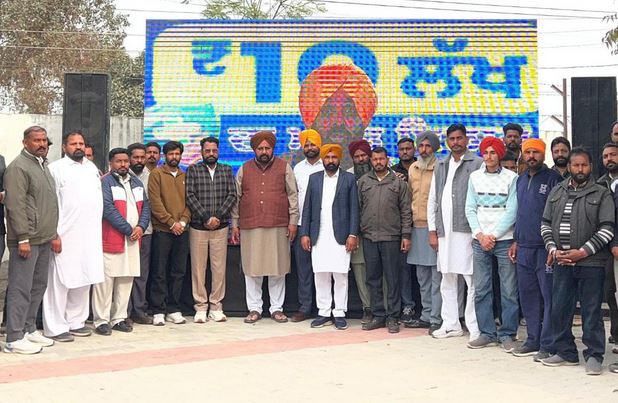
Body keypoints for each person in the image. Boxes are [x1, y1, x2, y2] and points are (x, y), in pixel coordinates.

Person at [540, 147, 614, 375]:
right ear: (570, 167)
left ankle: (594, 355)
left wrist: (581, 252)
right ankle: (566, 352)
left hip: (591, 263)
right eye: (576, 165)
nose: (580, 169)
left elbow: (607, 229)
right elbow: (545, 224)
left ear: (590, 166)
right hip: (561, 261)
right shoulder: (557, 191)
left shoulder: (601, 193)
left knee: (591, 311)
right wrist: (553, 250)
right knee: (560, 308)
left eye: (584, 165)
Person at [231, 131, 299, 324]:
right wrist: (234, 224)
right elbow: (236, 198)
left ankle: (277, 309)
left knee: (277, 269)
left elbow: (293, 195)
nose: (264, 151)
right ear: (254, 150)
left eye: (267, 148)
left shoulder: (284, 167)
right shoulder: (244, 169)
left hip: (278, 224)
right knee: (252, 269)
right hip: (250, 225)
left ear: (272, 149)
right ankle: (254, 309)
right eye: (260, 148)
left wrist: (293, 221)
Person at [43, 130, 103, 342]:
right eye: (73, 143)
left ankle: (76, 322)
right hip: (64, 235)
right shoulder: (55, 169)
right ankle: (55, 327)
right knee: (59, 282)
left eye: (81, 143)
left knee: (84, 278)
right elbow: (50, 204)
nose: (78, 147)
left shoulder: (91, 168)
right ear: (64, 147)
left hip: (89, 236)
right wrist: (53, 234)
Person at [3, 126, 59, 354]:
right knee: (21, 288)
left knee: (38, 286)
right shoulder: (18, 167)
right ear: (25, 142)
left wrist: (53, 233)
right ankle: (14, 338)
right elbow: (14, 205)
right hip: (27, 240)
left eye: (44, 140)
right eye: (36, 140)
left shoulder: (42, 165)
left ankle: (28, 329)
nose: (42, 144)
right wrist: (23, 238)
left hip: (44, 237)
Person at [508, 139, 562, 361]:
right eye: (528, 152)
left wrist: (553, 246)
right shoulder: (520, 180)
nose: (531, 156)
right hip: (524, 248)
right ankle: (532, 340)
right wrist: (516, 240)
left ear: (543, 154)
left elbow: (558, 216)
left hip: (544, 249)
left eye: (536, 152)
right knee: (528, 296)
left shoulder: (553, 179)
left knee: (549, 298)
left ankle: (548, 344)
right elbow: (520, 213)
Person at [428, 123, 482, 340]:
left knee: (471, 280)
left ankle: (474, 326)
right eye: (452, 139)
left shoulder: (477, 163)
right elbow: (433, 199)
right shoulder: (441, 165)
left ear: (466, 139)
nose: (456, 142)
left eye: (459, 138)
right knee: (447, 278)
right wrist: (432, 230)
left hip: (467, 231)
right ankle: (451, 324)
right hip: (445, 232)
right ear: (447, 141)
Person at [465, 137, 519, 350]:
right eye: (485, 152)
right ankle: (487, 333)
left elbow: (512, 210)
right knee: (481, 289)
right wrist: (480, 235)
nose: (488, 156)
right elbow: (470, 208)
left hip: (503, 240)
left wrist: (493, 236)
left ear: (499, 154)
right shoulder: (474, 177)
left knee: (508, 290)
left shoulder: (511, 178)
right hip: (480, 241)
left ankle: (508, 334)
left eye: (493, 152)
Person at [300, 144, 359, 330]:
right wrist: (305, 233)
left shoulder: (349, 179)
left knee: (340, 275)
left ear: (339, 159)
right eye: (327, 157)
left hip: (341, 234)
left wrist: (352, 234)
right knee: (321, 274)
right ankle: (324, 312)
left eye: (334, 157)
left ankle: (339, 312)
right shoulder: (314, 178)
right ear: (323, 159)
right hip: (318, 234)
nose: (331, 161)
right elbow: (307, 208)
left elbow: (354, 209)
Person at [94, 148, 150, 336]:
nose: (123, 164)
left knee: (126, 280)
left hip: (133, 241)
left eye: (126, 161)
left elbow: (146, 208)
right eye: (119, 161)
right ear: (111, 163)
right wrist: (129, 230)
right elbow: (107, 209)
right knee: (106, 282)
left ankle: (118, 318)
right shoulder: (105, 182)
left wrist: (141, 227)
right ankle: (101, 320)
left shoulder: (136, 182)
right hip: (113, 239)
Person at [358, 147, 412, 333]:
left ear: (387, 160)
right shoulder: (363, 182)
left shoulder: (398, 183)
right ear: (371, 161)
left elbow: (406, 211)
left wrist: (406, 235)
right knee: (372, 278)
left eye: (381, 159)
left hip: (391, 237)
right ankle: (378, 315)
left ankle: (393, 317)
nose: (378, 162)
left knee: (392, 278)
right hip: (369, 237)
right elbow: (358, 208)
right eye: (375, 159)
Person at [186, 137, 237, 323]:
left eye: (214, 151)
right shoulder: (193, 169)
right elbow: (189, 195)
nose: (211, 154)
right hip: (198, 227)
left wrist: (218, 217)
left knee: (219, 269)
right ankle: (200, 306)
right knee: (198, 269)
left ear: (218, 151)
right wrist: (206, 217)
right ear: (201, 152)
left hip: (221, 227)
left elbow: (232, 195)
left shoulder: (226, 170)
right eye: (207, 151)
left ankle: (216, 306)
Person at [299, 64, 377, 168]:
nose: (339, 122)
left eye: (349, 112)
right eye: (327, 112)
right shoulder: (293, 165)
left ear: (364, 118)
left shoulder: (381, 166)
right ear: (311, 119)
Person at [148, 141, 191, 326]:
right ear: (164, 156)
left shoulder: (185, 175)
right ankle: (158, 309)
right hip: (162, 230)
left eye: (177, 154)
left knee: (178, 271)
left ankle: (173, 309)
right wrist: (171, 223)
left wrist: (182, 222)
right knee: (159, 271)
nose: (174, 157)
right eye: (171, 154)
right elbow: (155, 202)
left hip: (182, 230)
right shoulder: (156, 174)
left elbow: (190, 201)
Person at [406, 131, 442, 334]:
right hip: (416, 226)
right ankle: (426, 315)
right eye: (421, 146)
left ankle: (437, 317)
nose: (424, 149)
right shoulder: (413, 168)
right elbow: (409, 196)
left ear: (434, 147)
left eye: (428, 146)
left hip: (434, 227)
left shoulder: (441, 167)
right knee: (422, 276)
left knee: (437, 275)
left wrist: (436, 228)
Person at [291, 129, 324, 322]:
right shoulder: (297, 169)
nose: (310, 148)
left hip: (324, 225)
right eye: (307, 145)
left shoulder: (327, 165)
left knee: (323, 269)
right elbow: (293, 197)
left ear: (319, 145)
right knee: (303, 270)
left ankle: (324, 308)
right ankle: (305, 308)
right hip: (302, 224)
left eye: (313, 144)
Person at [392, 137, 420, 324]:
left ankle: (425, 307)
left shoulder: (421, 168)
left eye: (408, 148)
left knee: (423, 270)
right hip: (400, 226)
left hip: (421, 224)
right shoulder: (392, 171)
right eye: (401, 149)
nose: (405, 152)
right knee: (403, 268)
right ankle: (407, 306)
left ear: (414, 149)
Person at [346, 140, 373, 323]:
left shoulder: (380, 172)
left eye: (364, 155)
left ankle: (384, 308)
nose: (361, 159)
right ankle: (367, 308)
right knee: (359, 269)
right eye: (357, 156)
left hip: (378, 231)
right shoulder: (347, 176)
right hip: (356, 232)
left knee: (381, 271)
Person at [127, 143, 154, 325]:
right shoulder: (120, 175)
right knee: (125, 274)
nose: (139, 161)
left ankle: (138, 310)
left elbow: (150, 205)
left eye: (142, 157)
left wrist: (141, 227)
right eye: (135, 157)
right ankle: (124, 312)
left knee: (141, 274)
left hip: (146, 231)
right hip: (125, 233)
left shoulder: (152, 176)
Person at [596, 142, 618, 354]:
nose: (609, 159)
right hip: (606, 248)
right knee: (610, 292)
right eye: (605, 156)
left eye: (613, 155)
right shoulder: (600, 184)